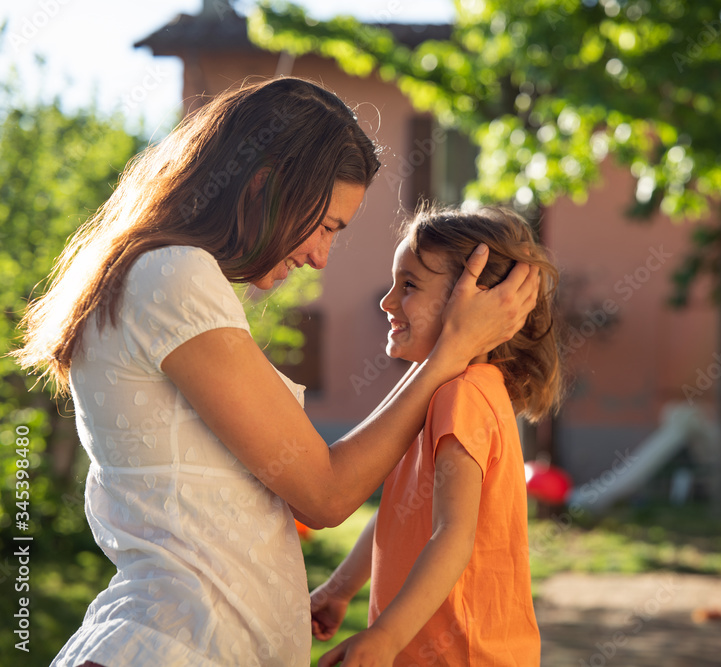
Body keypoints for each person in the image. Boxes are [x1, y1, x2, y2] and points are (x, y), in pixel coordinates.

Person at [13, 78, 538, 667]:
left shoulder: (169, 277)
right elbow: (327, 493)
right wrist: (452, 349)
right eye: (327, 226)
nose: (320, 255)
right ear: (264, 184)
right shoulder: (174, 277)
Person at [309, 205, 564, 667]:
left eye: (408, 286)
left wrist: (384, 638)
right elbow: (400, 513)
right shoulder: (444, 391)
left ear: (474, 300)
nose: (387, 302)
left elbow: (453, 535)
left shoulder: (461, 395)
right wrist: (338, 589)